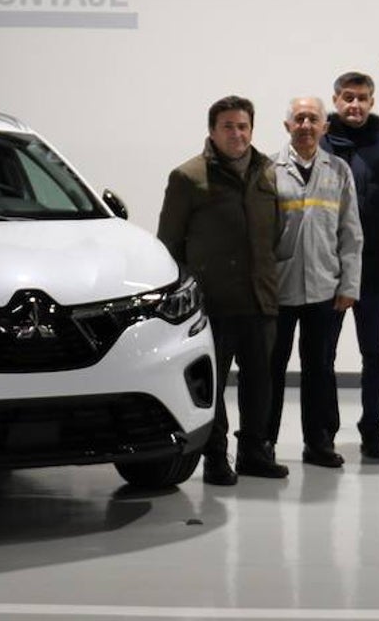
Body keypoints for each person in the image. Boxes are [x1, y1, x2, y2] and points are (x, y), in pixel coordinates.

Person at [157, 95, 289, 485]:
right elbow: (170, 244)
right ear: (212, 131)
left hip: (260, 299)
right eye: (229, 126)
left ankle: (253, 452)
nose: (237, 133)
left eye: (243, 125)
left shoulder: (267, 172)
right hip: (213, 304)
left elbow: (276, 232)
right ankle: (216, 459)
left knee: (259, 383)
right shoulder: (188, 177)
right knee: (212, 387)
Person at [268, 96, 363, 469]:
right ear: (288, 125)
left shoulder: (338, 171)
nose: (306, 125)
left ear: (325, 127)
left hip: (325, 289)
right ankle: (262, 442)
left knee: (320, 368)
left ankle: (320, 442)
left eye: (314, 119)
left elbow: (351, 233)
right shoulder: (268, 171)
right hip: (278, 289)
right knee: (270, 370)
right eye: (299, 118)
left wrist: (349, 285)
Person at [320, 72, 379, 462]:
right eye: (347, 97)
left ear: (372, 102)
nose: (354, 105)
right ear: (336, 100)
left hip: (374, 266)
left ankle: (373, 430)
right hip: (327, 269)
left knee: (376, 356)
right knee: (324, 356)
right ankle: (324, 431)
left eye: (362, 99)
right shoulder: (319, 143)